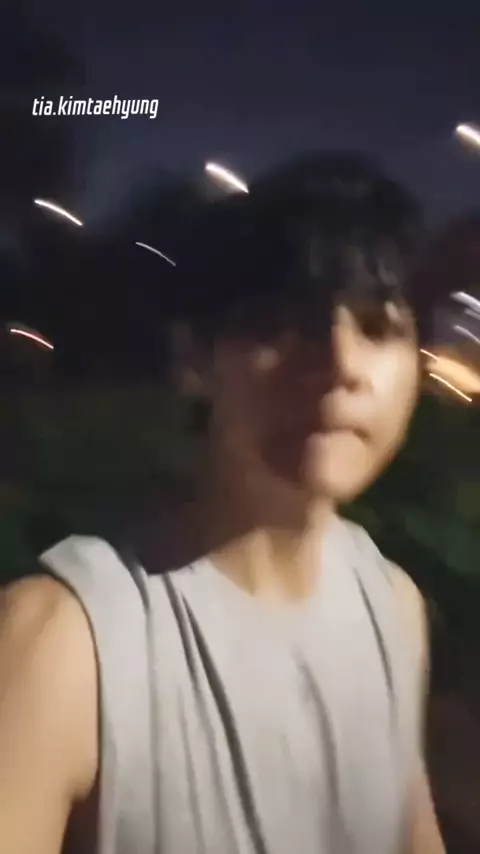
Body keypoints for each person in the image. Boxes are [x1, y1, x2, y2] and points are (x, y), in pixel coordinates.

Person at [0, 152, 446, 854]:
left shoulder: (393, 608)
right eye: (281, 325)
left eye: (379, 327)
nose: (339, 364)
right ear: (194, 360)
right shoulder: (61, 644)